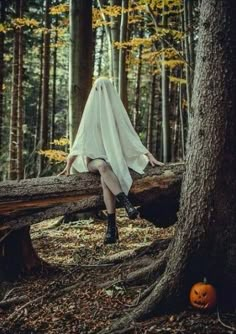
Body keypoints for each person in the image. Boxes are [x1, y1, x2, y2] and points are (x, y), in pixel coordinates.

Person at [59, 77, 163, 244]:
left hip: (110, 162)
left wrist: (148, 154)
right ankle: (126, 202)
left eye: (105, 89)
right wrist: (68, 165)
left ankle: (111, 228)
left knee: (106, 176)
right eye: (99, 90)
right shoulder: (90, 114)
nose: (102, 94)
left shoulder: (115, 114)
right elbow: (79, 142)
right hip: (92, 161)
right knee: (102, 165)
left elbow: (130, 136)